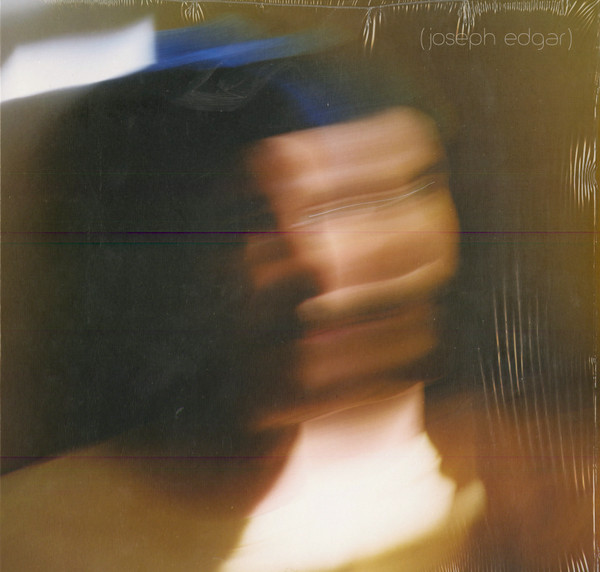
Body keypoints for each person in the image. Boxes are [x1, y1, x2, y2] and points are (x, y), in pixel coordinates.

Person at [1, 27, 484, 571]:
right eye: (251, 218)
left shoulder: (527, 483)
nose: (324, 262)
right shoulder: (32, 541)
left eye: (394, 195)